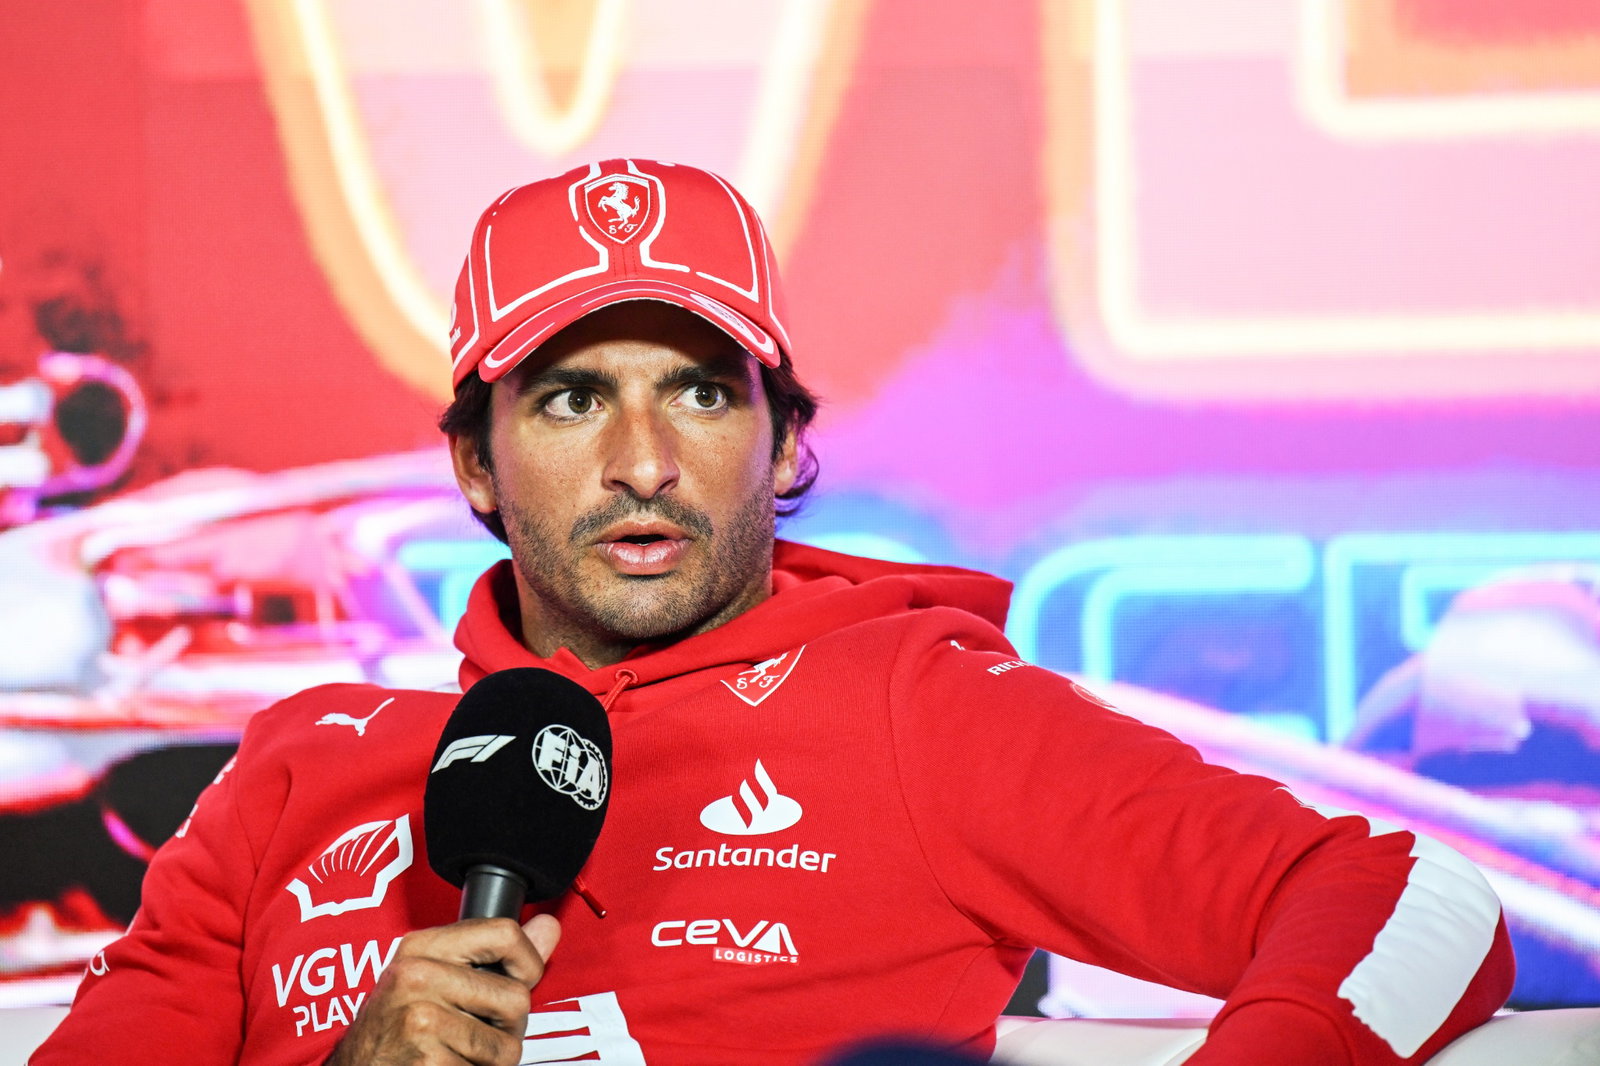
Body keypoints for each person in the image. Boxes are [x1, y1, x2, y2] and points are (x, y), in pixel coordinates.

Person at [33, 158, 1514, 1066]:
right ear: (477, 463)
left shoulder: (911, 705)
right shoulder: (294, 769)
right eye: (569, 398)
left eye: (698, 388)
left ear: (786, 440)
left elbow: (1415, 901)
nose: (643, 462)